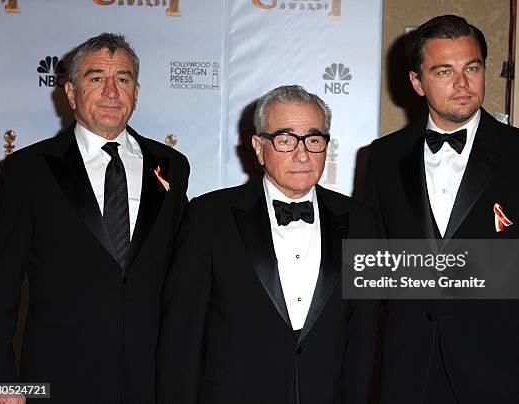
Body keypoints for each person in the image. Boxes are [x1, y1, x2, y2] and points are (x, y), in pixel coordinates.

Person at [364, 15, 519, 404]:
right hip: (407, 375)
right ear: (416, 82)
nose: (462, 84)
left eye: (471, 68)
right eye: (444, 71)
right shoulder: (382, 158)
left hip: (502, 378)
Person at [0, 33, 190, 403]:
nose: (111, 91)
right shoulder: (27, 170)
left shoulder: (171, 165)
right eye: (96, 78)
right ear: (71, 93)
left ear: (136, 93)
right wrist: (1, 384)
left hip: (151, 382)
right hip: (57, 381)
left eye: (122, 79)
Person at [156, 85, 379, 404]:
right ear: (259, 147)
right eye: (285, 140)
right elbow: (181, 336)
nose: (302, 154)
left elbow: (363, 337)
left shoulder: (360, 220)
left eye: (314, 140)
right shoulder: (209, 217)